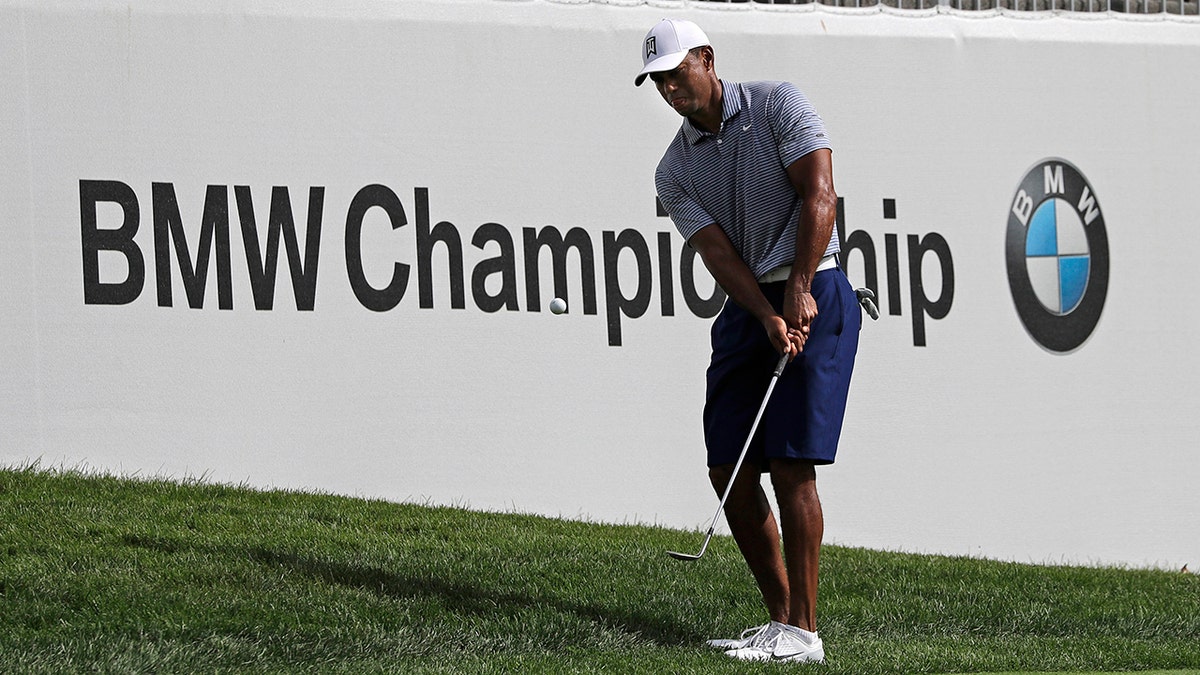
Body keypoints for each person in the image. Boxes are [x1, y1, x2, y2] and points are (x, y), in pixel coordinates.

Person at [634, 18, 860, 664]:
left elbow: (821, 195)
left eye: (678, 73)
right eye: (659, 81)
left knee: (791, 463)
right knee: (727, 464)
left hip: (819, 282)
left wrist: (799, 288)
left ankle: (806, 632)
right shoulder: (672, 169)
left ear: (708, 59)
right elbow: (716, 251)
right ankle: (781, 620)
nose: (671, 89)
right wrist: (764, 311)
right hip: (750, 304)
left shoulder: (778, 104)